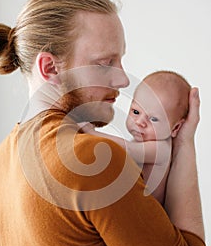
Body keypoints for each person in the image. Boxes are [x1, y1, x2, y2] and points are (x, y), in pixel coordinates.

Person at [0, 0, 205, 246]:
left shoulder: (4, 155)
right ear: (49, 68)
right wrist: (184, 143)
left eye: (121, 59)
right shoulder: (94, 159)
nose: (123, 80)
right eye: (105, 63)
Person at [80, 70, 191, 205]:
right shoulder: (143, 143)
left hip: (148, 216)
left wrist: (91, 132)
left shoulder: (162, 149)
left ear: (175, 128)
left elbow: (128, 150)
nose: (139, 122)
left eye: (153, 119)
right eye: (136, 112)